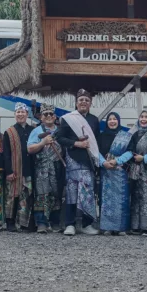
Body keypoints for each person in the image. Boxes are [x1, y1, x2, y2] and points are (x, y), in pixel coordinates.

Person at [56, 90, 102, 236]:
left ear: (90, 104)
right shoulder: (68, 119)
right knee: (71, 193)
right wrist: (76, 143)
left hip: (88, 162)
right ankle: (70, 224)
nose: (83, 102)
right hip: (73, 161)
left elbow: (97, 142)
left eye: (86, 100)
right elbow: (59, 138)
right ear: (76, 103)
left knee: (88, 193)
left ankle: (87, 224)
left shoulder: (94, 120)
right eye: (81, 100)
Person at [27, 104, 64, 233]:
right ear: (41, 117)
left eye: (51, 114)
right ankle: (41, 222)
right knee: (42, 195)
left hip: (57, 168)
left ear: (55, 117)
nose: (48, 116)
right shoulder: (36, 131)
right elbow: (30, 149)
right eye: (45, 114)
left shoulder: (61, 131)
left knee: (56, 194)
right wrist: (42, 143)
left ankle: (55, 222)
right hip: (42, 168)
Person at [97, 113, 132, 235]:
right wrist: (103, 163)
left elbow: (130, 152)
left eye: (115, 119)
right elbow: (96, 152)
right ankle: (107, 227)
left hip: (121, 172)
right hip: (106, 171)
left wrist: (117, 161)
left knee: (122, 200)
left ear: (119, 121)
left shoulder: (126, 136)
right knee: (107, 200)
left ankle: (121, 228)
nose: (112, 121)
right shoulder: (101, 136)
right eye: (110, 119)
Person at [2, 103, 35, 231]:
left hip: (28, 169)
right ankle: (10, 222)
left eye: (23, 112)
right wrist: (9, 171)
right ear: (15, 114)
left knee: (26, 196)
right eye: (18, 112)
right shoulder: (9, 132)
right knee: (12, 196)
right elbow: (6, 153)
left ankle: (24, 223)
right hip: (14, 170)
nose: (20, 114)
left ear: (27, 114)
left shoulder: (32, 130)